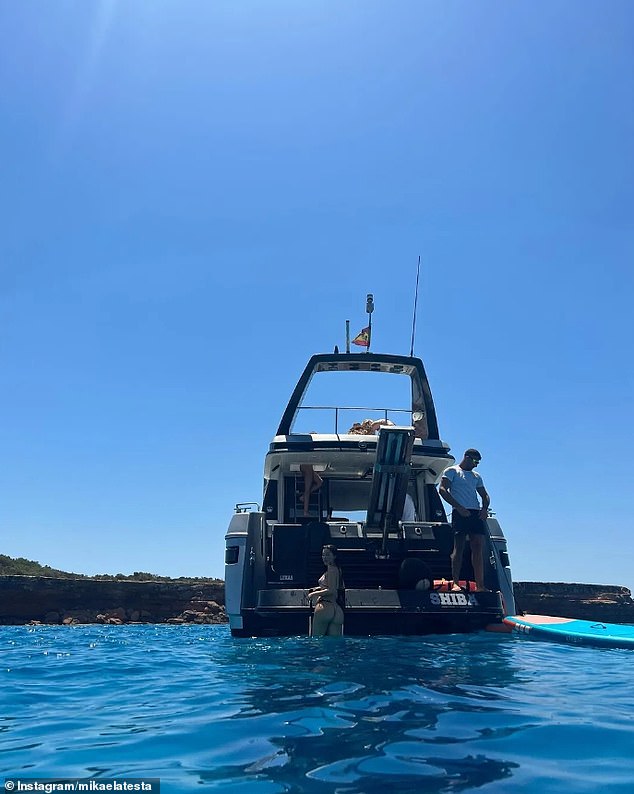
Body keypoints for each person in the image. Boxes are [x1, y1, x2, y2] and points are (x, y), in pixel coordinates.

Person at [438, 448, 491, 592]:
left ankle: (480, 585)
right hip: (460, 512)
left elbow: (484, 494)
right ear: (466, 457)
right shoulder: (452, 471)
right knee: (459, 547)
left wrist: (484, 508)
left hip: (475, 512)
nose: (476, 464)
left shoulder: (476, 476)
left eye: (478, 462)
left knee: (478, 546)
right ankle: (455, 583)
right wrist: (458, 507)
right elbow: (442, 489)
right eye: (475, 461)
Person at [306, 544, 344, 636]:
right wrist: (318, 588)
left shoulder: (331, 569)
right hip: (337, 610)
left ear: (334, 556)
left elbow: (331, 590)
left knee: (316, 641)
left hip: (325, 607)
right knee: (334, 646)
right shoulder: (337, 570)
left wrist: (313, 594)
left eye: (327, 555)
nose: (324, 557)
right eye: (323, 555)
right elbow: (335, 587)